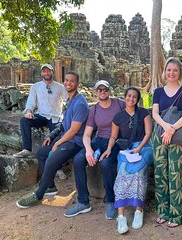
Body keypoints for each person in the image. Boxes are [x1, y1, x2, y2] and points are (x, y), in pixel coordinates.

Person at [16, 71, 89, 208]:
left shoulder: (80, 103)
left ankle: (39, 194)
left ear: (77, 84)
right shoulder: (69, 100)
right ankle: (50, 187)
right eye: (66, 80)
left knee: (52, 158)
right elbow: (64, 124)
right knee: (41, 154)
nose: (68, 83)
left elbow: (73, 130)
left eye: (72, 81)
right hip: (65, 138)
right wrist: (51, 136)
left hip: (76, 142)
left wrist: (58, 143)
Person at [64, 80, 125, 220]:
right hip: (99, 140)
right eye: (99, 90)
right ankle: (83, 201)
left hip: (116, 141)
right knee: (79, 160)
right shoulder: (94, 110)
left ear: (109, 90)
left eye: (105, 89)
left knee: (105, 163)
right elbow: (86, 134)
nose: (102, 92)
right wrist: (88, 150)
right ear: (95, 92)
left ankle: (110, 200)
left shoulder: (119, 104)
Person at [105, 87, 153, 234]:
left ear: (137, 100)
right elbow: (113, 136)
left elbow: (149, 132)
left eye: (134, 97)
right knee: (122, 175)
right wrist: (108, 149)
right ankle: (121, 217)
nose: (131, 99)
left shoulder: (144, 113)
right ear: (124, 97)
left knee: (138, 174)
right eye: (129, 96)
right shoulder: (118, 116)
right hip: (126, 150)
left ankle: (139, 211)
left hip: (143, 148)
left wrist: (139, 149)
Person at [152, 57, 182, 228]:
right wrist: (165, 128)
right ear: (164, 72)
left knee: (175, 174)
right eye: (169, 70)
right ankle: (163, 211)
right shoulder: (158, 92)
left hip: (178, 135)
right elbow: (155, 114)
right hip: (160, 135)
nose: (171, 73)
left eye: (175, 70)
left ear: (180, 73)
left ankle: (176, 215)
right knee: (161, 174)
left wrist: (171, 129)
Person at [13, 63, 68, 180]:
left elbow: (68, 101)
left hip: (56, 117)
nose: (46, 73)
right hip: (42, 115)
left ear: (52, 72)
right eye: (44, 71)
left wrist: (67, 115)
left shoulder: (59, 87)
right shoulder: (36, 87)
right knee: (24, 121)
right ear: (41, 73)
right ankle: (27, 149)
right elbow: (31, 102)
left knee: (57, 137)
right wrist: (29, 111)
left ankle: (58, 166)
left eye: (48, 71)